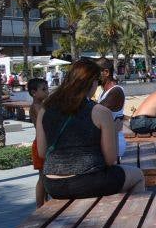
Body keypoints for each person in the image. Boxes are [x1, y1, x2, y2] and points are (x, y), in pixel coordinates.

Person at [36, 58, 145, 201]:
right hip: (88, 182)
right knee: (137, 176)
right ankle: (129, 221)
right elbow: (110, 160)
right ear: (91, 82)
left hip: (53, 184)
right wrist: (114, 130)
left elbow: (42, 152)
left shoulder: (45, 109)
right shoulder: (99, 111)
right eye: (97, 81)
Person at [96, 58, 126, 162]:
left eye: (95, 73)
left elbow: (95, 111)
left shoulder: (116, 91)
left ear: (106, 72)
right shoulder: (103, 92)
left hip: (115, 145)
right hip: (109, 142)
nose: (93, 77)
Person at [27, 77, 49, 207]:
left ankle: (45, 202)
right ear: (34, 92)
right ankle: (40, 205)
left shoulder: (42, 105)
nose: (47, 92)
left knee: (45, 176)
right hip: (40, 144)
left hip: (44, 143)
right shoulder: (36, 107)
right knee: (42, 177)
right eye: (44, 89)